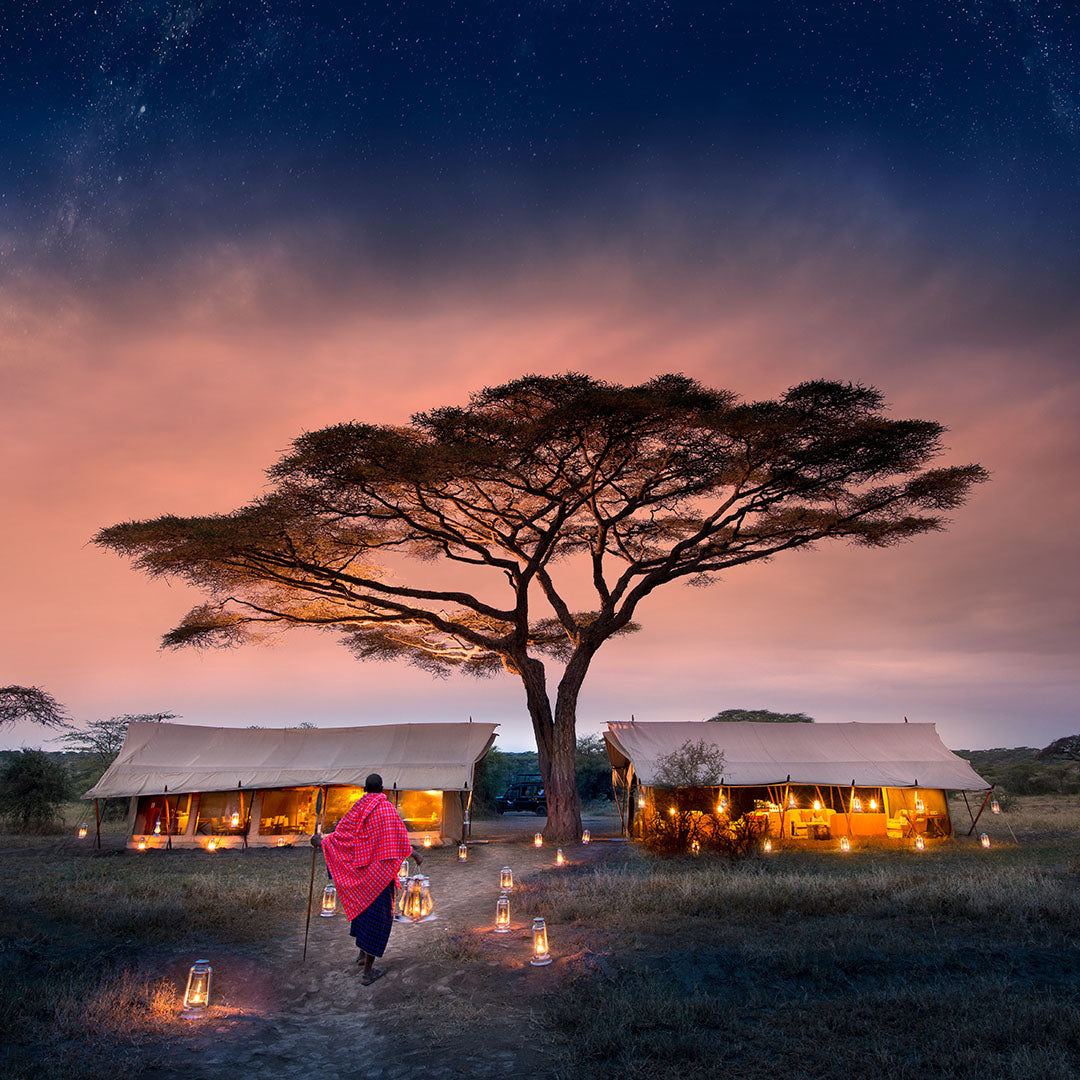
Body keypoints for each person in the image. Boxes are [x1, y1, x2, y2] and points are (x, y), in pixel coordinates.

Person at [312, 773, 419, 984]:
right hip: (380, 877)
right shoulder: (387, 810)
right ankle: (368, 972)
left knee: (363, 914)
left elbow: (341, 835)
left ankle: (362, 956)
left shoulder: (357, 809)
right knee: (378, 921)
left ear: (364, 789)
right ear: (382, 788)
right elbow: (398, 837)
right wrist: (414, 853)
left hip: (361, 877)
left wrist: (321, 841)